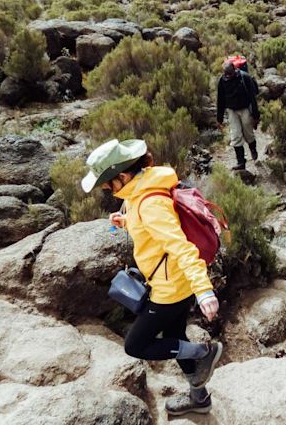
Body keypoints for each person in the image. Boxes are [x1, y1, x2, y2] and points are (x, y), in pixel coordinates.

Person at [81, 138, 223, 416]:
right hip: (175, 281)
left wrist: (204, 290)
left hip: (170, 289)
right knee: (174, 336)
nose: (107, 190)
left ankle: (204, 353)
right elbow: (153, 227)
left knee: (136, 345)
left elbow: (180, 246)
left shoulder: (149, 203)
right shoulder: (142, 190)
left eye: (108, 184)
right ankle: (199, 397)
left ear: (122, 176)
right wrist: (126, 221)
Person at [216, 60, 260, 171]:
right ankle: (241, 162)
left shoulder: (245, 78)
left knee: (248, 134)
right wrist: (219, 118)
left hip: (245, 109)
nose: (228, 75)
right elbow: (220, 99)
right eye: (226, 74)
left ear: (234, 69)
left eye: (230, 73)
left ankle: (253, 150)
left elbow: (252, 98)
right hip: (232, 111)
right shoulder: (222, 80)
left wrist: (256, 116)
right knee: (235, 136)